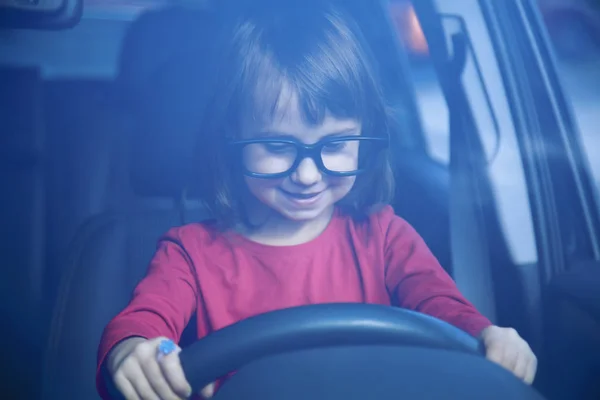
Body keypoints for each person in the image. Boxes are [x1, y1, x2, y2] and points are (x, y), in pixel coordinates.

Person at [97, 0, 537, 399]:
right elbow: (143, 321)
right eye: (277, 146)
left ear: (365, 139)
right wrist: (133, 352)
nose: (307, 175)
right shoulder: (188, 254)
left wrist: (489, 336)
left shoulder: (386, 237)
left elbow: (443, 307)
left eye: (334, 145)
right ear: (233, 139)